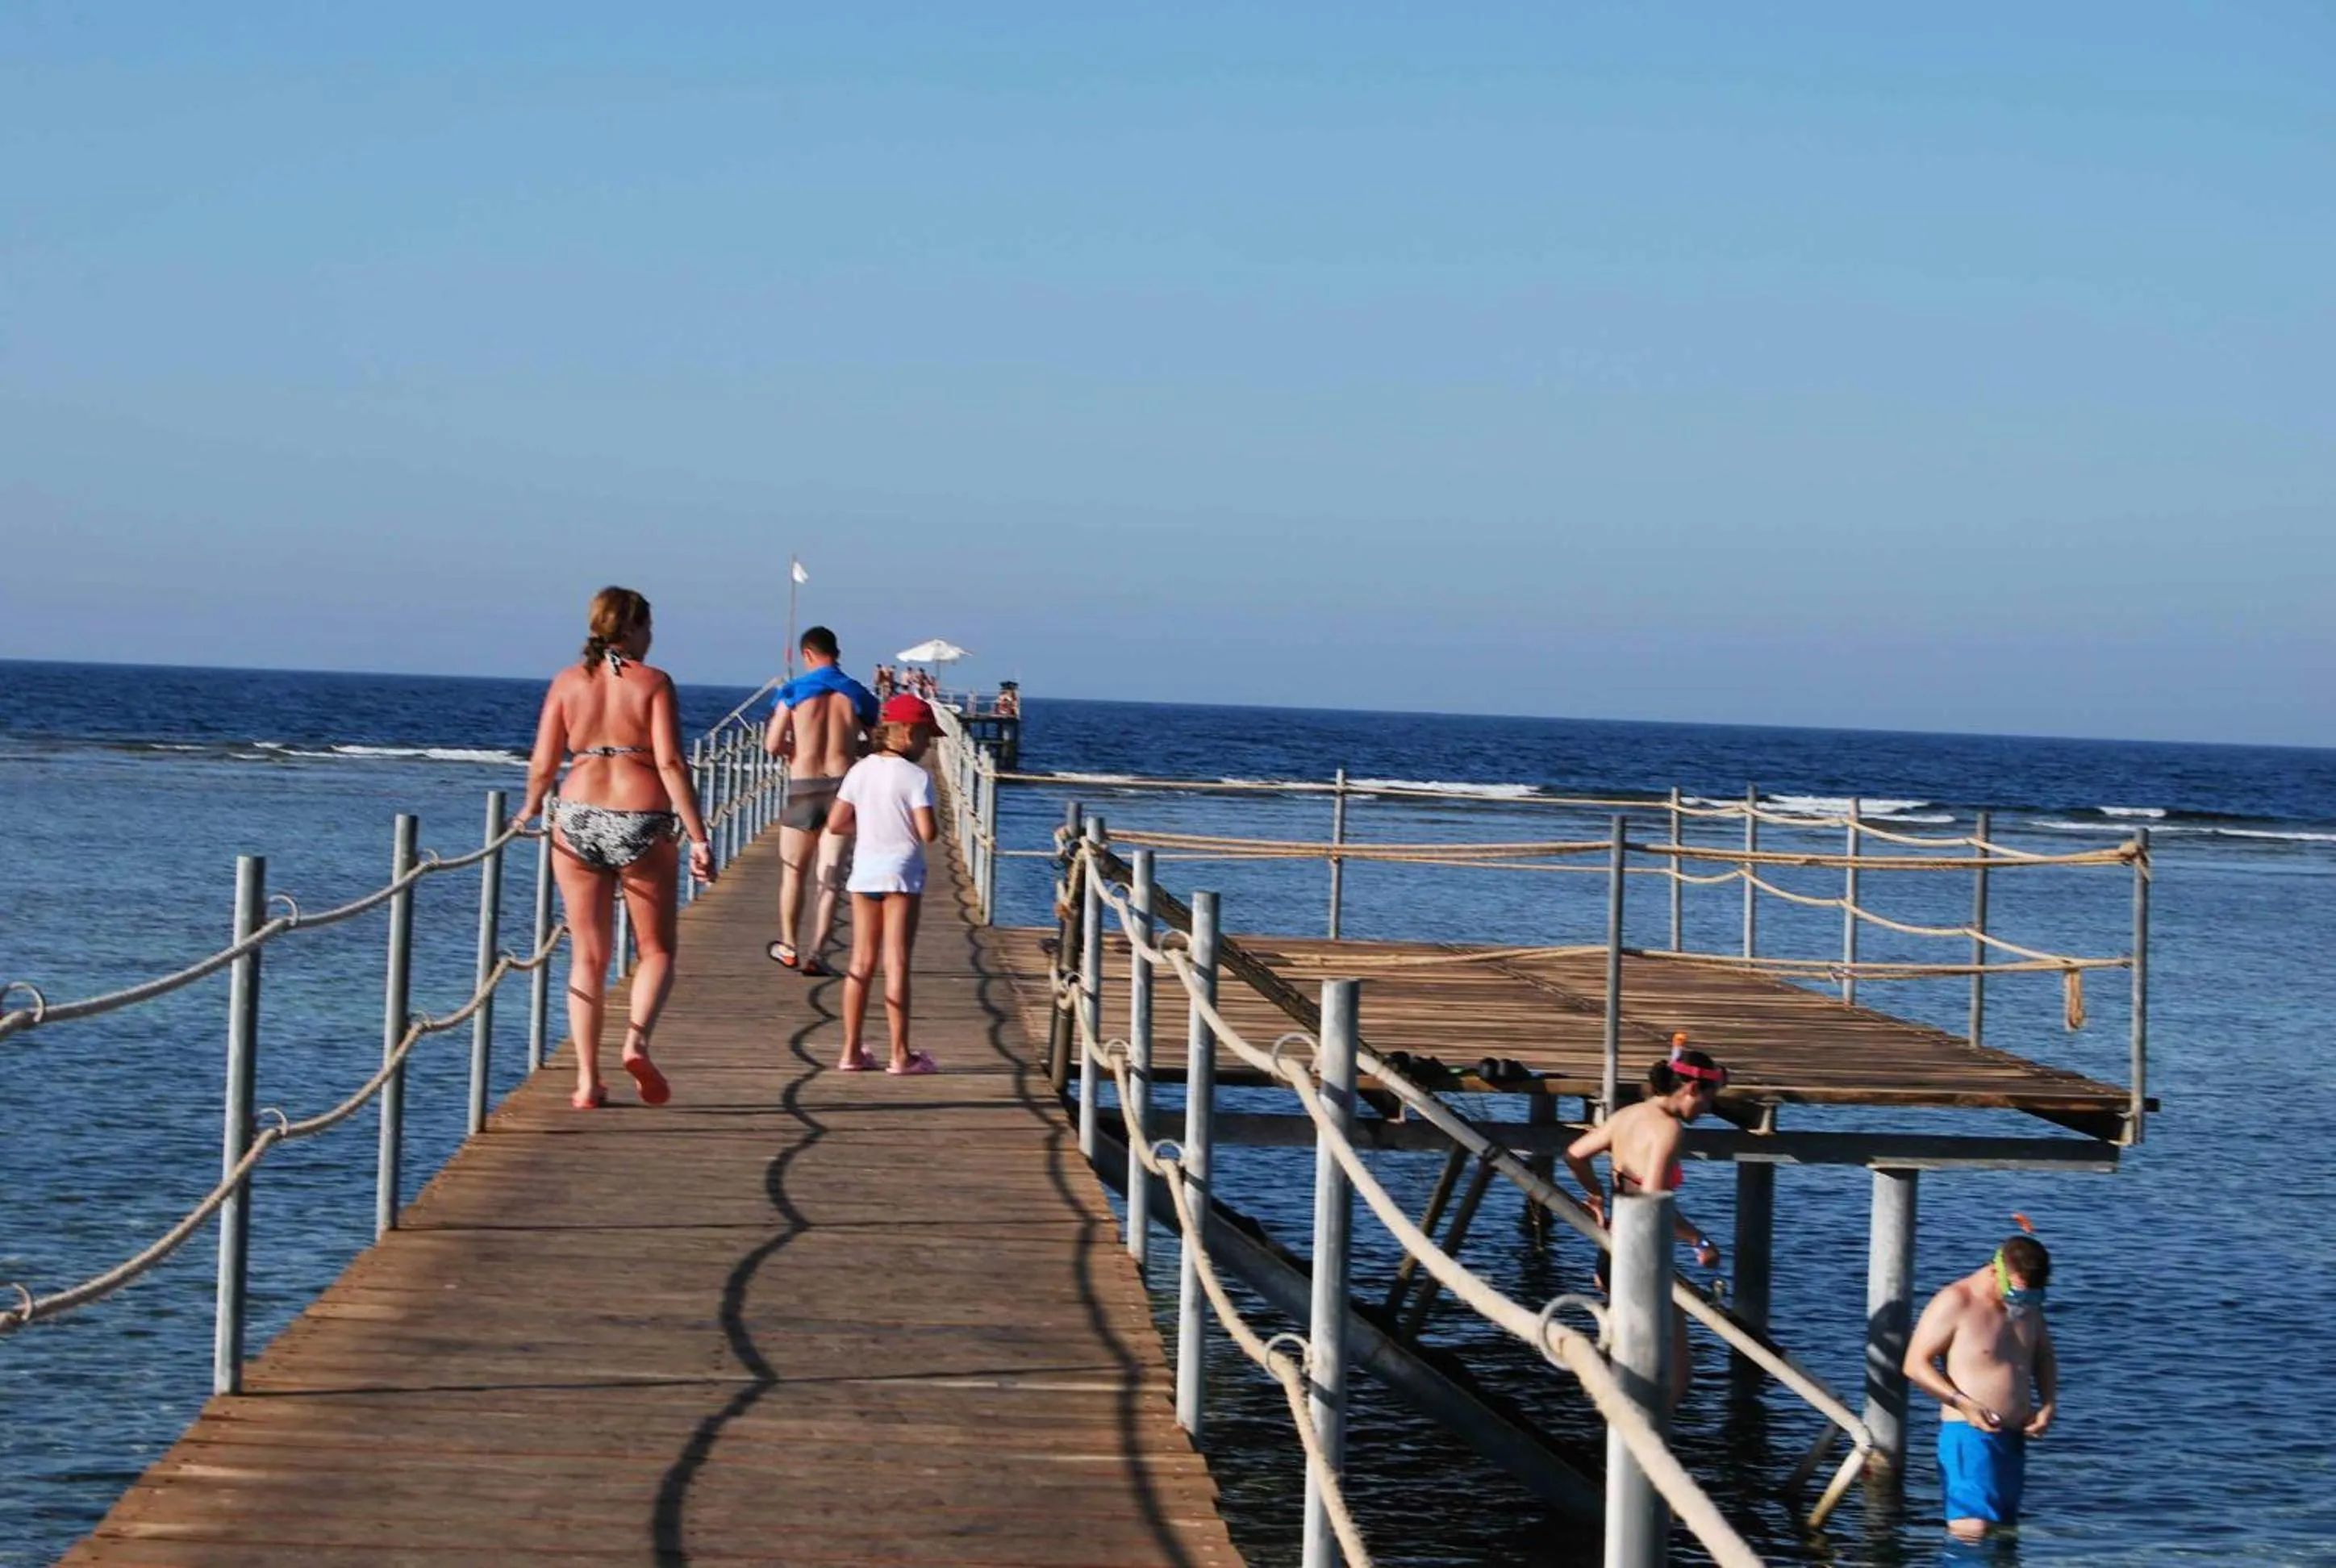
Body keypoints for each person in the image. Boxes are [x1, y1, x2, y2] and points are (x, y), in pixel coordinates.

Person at [521, 586, 715, 1110]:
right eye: (649, 627)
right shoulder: (653, 683)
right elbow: (672, 764)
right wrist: (698, 837)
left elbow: (542, 762)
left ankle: (586, 1081)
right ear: (631, 629)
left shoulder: (567, 682)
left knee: (588, 956)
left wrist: (529, 808)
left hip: (576, 816)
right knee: (656, 951)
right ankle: (636, 1043)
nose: (653, 638)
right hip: (641, 816)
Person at [1562, 1037, 1728, 1403]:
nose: (1706, 1109)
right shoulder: (1668, 1129)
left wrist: (1598, 1194)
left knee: (1631, 1367)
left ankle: (1617, 1446)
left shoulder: (1626, 1115)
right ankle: (1647, 1451)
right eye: (1707, 1100)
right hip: (1639, 1255)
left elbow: (1574, 1155)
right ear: (1690, 1088)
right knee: (1676, 1378)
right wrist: (1699, 1242)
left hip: (1610, 1252)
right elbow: (1653, 1203)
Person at [1903, 1235, 2058, 1541]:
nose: (2022, 1303)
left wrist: (2049, 1404)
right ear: (1994, 1270)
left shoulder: (2028, 1306)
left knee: (2003, 1537)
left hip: (2013, 1439)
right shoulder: (1956, 1301)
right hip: (1969, 1435)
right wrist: (1962, 1403)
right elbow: (1914, 1364)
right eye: (2017, 1293)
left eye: (2032, 1298)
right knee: (1971, 1532)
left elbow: (2043, 1355)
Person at [824, 693, 941, 1074]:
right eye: (925, 737)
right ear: (907, 732)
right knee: (897, 962)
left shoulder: (861, 771)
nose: (927, 746)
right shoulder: (916, 777)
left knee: (860, 961)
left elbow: (837, 823)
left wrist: (871, 825)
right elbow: (928, 833)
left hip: (866, 872)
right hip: (902, 873)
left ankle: (850, 1050)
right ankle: (900, 1054)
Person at [763, 626, 877, 976]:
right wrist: (854, 749)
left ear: (807, 655)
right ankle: (818, 954)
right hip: (843, 787)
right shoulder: (857, 694)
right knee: (830, 878)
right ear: (836, 652)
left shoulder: (794, 691)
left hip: (804, 783)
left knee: (794, 870)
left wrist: (791, 751)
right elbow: (874, 741)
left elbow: (771, 744)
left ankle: (788, 945)